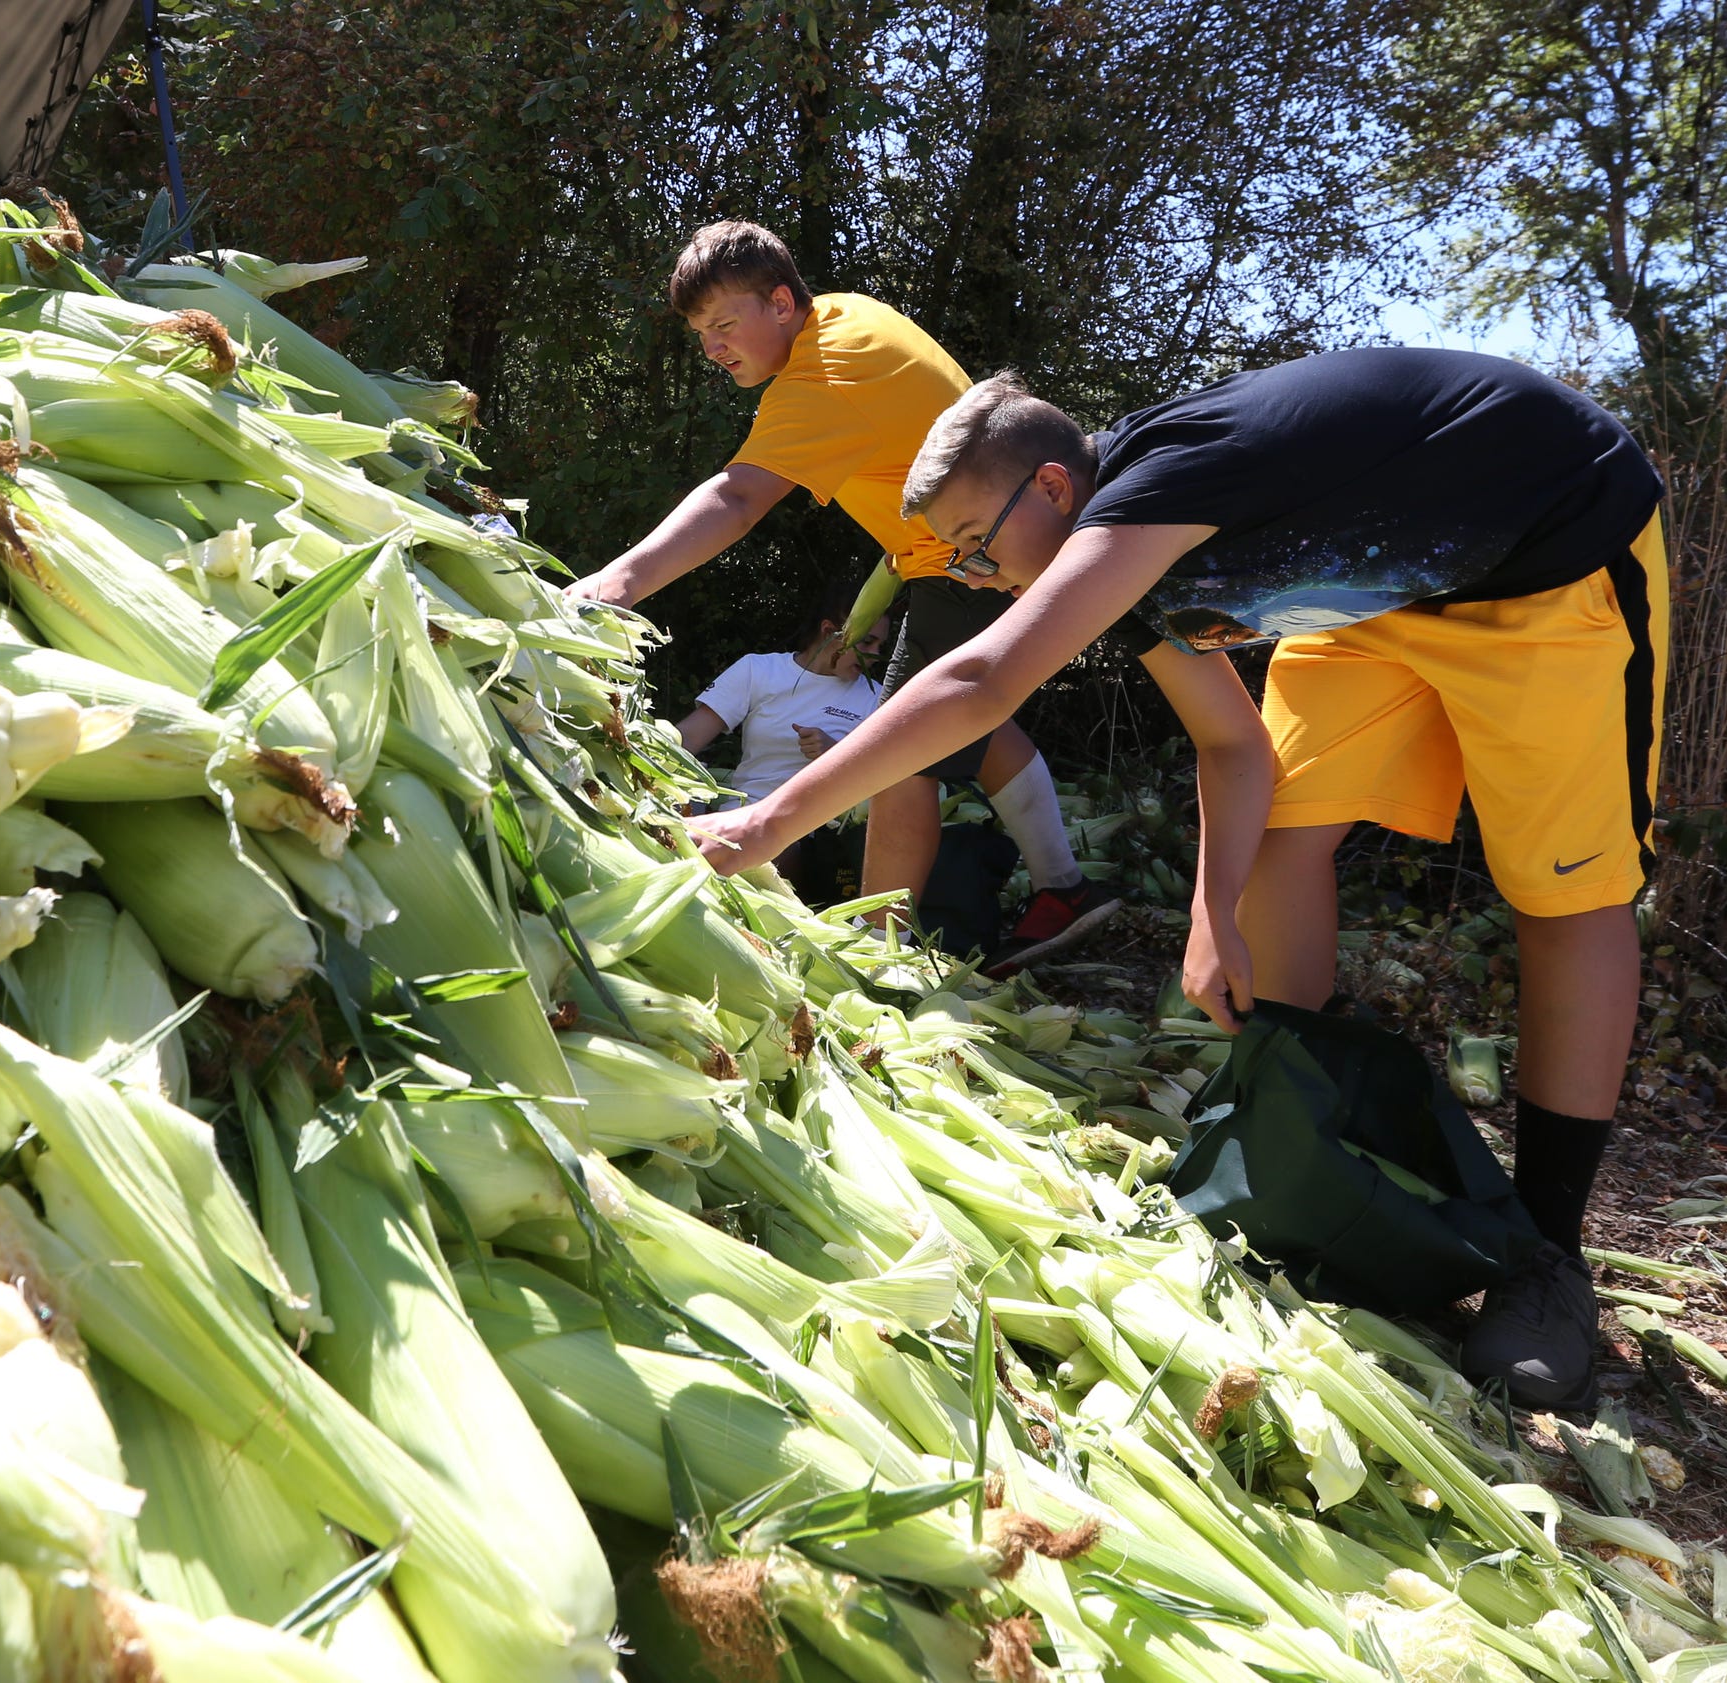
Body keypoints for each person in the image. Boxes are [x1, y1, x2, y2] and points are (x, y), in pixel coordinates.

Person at [687, 350, 1668, 1410]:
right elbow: (1235, 747)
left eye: (976, 546)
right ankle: (1295, 1142)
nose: (976, 579)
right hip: (1374, 608)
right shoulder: (1139, 560)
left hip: (1547, 557)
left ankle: (1550, 1260)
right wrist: (1213, 915)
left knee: (1563, 894)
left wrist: (766, 821)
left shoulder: (1160, 488)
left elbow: (980, 676)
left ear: (1053, 488)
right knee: (1285, 837)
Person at [568, 220, 1111, 960]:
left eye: (726, 323)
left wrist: (617, 583)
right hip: (961, 551)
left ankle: (874, 947)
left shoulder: (821, 372)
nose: (714, 347)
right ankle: (1064, 886)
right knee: (968, 730)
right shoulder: (850, 315)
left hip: (977, 554)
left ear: (783, 303)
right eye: (701, 333)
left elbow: (736, 499)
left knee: (901, 750)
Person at [673, 593, 887, 898]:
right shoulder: (758, 671)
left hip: (817, 839)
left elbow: (885, 784)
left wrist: (835, 754)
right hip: (740, 815)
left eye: (881, 645)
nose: (875, 655)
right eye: (867, 643)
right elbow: (688, 738)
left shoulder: (877, 699)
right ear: (829, 632)